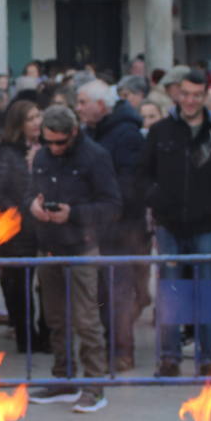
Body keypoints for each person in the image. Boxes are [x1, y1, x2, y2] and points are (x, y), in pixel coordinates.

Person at [140, 70, 211, 377]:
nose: (190, 100)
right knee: (172, 292)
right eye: (185, 94)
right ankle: (170, 357)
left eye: (197, 95)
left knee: (207, 293)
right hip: (169, 223)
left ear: (205, 96)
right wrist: (156, 199)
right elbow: (143, 174)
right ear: (176, 94)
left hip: (207, 225)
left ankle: (206, 357)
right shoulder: (161, 131)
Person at [24, 105, 121, 413]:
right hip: (50, 247)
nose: (53, 148)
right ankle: (63, 377)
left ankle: (94, 385)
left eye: (59, 142)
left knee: (87, 320)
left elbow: (112, 205)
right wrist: (33, 206)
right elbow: (29, 192)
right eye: (48, 141)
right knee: (55, 319)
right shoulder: (41, 157)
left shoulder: (95, 157)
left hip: (82, 248)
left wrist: (74, 215)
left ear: (74, 133)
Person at [77, 79, 146, 372]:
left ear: (101, 106)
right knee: (103, 293)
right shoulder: (94, 132)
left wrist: (105, 206)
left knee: (118, 291)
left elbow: (129, 184)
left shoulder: (125, 135)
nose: (78, 108)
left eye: (82, 103)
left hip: (121, 227)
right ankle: (107, 348)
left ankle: (121, 351)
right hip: (100, 224)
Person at [0, 99, 45, 353]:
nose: (37, 122)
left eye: (38, 116)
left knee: (46, 286)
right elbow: (0, 194)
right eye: (31, 118)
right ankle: (25, 335)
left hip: (44, 228)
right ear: (19, 124)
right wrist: (22, 214)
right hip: (19, 231)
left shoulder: (45, 149)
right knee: (19, 286)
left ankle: (45, 335)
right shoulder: (7, 153)